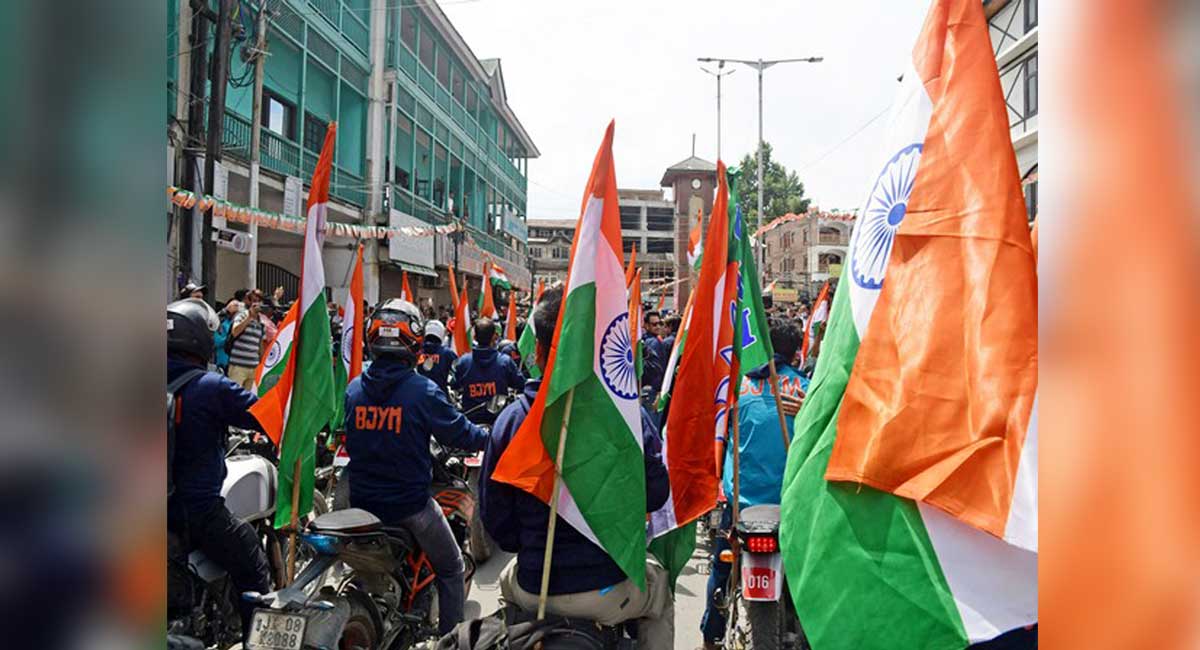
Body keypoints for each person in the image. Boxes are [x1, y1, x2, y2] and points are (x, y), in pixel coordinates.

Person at [479, 285, 675, 646]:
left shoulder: (509, 422)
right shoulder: (629, 418)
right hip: (610, 589)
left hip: (533, 586)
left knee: (504, 595)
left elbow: (498, 525)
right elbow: (657, 494)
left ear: (537, 350)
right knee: (660, 594)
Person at [343, 299, 489, 636]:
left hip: (361, 503)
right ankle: (450, 640)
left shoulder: (353, 389)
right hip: (409, 506)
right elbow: (461, 434)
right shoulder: (422, 391)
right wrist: (489, 437)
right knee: (452, 568)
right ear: (414, 342)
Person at [700, 318, 808, 648]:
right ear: (798, 352)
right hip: (791, 507)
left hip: (741, 506)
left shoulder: (737, 391)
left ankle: (710, 635)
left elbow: (715, 440)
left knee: (721, 569)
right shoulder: (807, 393)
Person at [167, 299, 271, 636]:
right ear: (200, 339)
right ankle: (257, 641)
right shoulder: (210, 387)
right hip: (194, 513)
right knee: (253, 568)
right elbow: (265, 416)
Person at [450, 318, 525, 426]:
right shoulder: (505, 362)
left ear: (475, 337)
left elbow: (454, 384)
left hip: (472, 425)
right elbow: (520, 384)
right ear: (495, 336)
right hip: (499, 424)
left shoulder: (463, 362)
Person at [227, 289, 266, 390]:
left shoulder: (261, 321)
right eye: (253, 300)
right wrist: (249, 316)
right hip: (238, 366)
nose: (256, 303)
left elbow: (260, 343)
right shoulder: (242, 315)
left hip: (254, 366)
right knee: (233, 397)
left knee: (248, 400)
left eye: (259, 300)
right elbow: (235, 331)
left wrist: (262, 363)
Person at [417, 319, 457, 393]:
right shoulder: (447, 353)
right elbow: (457, 374)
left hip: (419, 394)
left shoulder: (417, 351)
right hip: (440, 396)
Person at [640, 310, 666, 398]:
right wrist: (659, 389)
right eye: (654, 324)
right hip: (653, 390)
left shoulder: (646, 340)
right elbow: (656, 369)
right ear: (646, 326)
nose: (658, 326)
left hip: (649, 388)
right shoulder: (653, 342)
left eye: (660, 323)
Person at [212, 299, 241, 374]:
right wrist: (230, 338)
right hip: (223, 361)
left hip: (239, 361)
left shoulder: (241, 324)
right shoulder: (221, 322)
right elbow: (217, 342)